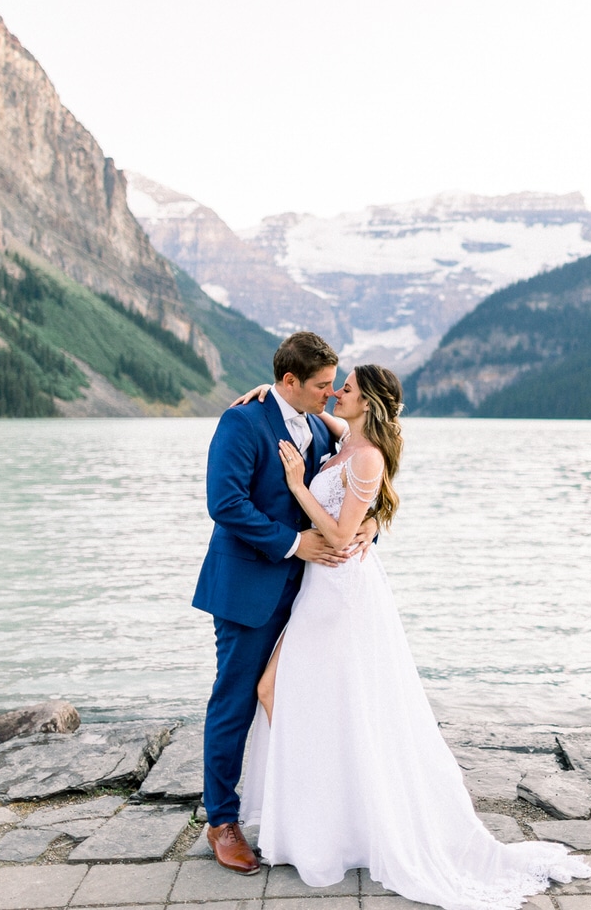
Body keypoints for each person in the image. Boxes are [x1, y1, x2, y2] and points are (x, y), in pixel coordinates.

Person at [229, 364, 591, 910]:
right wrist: (270, 391)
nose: (334, 393)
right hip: (322, 590)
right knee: (303, 696)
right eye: (334, 386)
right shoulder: (342, 436)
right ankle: (328, 815)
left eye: (345, 388)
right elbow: (304, 408)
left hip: (339, 593)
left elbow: (343, 532)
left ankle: (322, 816)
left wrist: (300, 487)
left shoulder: (368, 454)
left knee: (278, 691)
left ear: (368, 402)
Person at [194, 332, 379, 875]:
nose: (330, 394)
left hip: (311, 594)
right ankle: (222, 820)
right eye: (321, 385)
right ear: (289, 381)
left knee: (310, 698)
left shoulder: (324, 428)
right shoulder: (242, 422)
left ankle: (302, 810)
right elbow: (224, 504)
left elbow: (362, 481)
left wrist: (368, 527)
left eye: (334, 385)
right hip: (249, 588)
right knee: (235, 700)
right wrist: (296, 543)